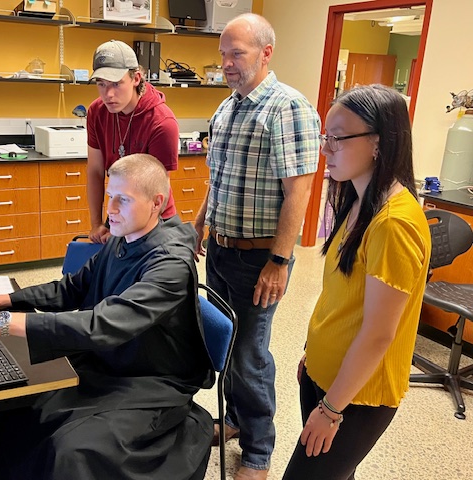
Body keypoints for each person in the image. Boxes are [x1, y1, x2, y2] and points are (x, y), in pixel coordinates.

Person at [0, 154, 214, 480]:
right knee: (19, 404)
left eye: (123, 200)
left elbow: (103, 323)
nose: (111, 210)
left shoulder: (171, 263)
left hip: (152, 381)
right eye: (110, 197)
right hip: (108, 360)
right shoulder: (120, 238)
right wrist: (3, 299)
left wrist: (2, 322)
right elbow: (72, 289)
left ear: (156, 203)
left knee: (70, 449)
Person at [193, 13, 321, 480]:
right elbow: (219, 178)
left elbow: (299, 193)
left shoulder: (287, 108)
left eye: (237, 54)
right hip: (222, 251)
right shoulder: (227, 107)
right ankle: (234, 419)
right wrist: (199, 223)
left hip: (260, 258)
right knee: (224, 346)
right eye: (223, 54)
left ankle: (257, 449)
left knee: (249, 354)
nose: (226, 63)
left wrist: (280, 261)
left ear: (266, 53)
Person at [282, 85, 430, 479]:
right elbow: (340, 297)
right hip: (325, 375)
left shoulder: (394, 222)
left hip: (355, 397)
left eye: (337, 139)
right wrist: (311, 353)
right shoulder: (357, 201)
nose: (325, 150)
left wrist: (331, 409)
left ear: (378, 143)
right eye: (324, 137)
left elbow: (380, 334)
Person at [86, 40, 180, 244]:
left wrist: (123, 232)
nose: (108, 94)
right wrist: (96, 224)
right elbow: (95, 170)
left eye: (116, 84)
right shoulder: (96, 112)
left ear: (136, 78)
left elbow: (155, 193)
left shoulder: (162, 123)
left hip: (155, 221)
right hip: (120, 213)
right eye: (101, 84)